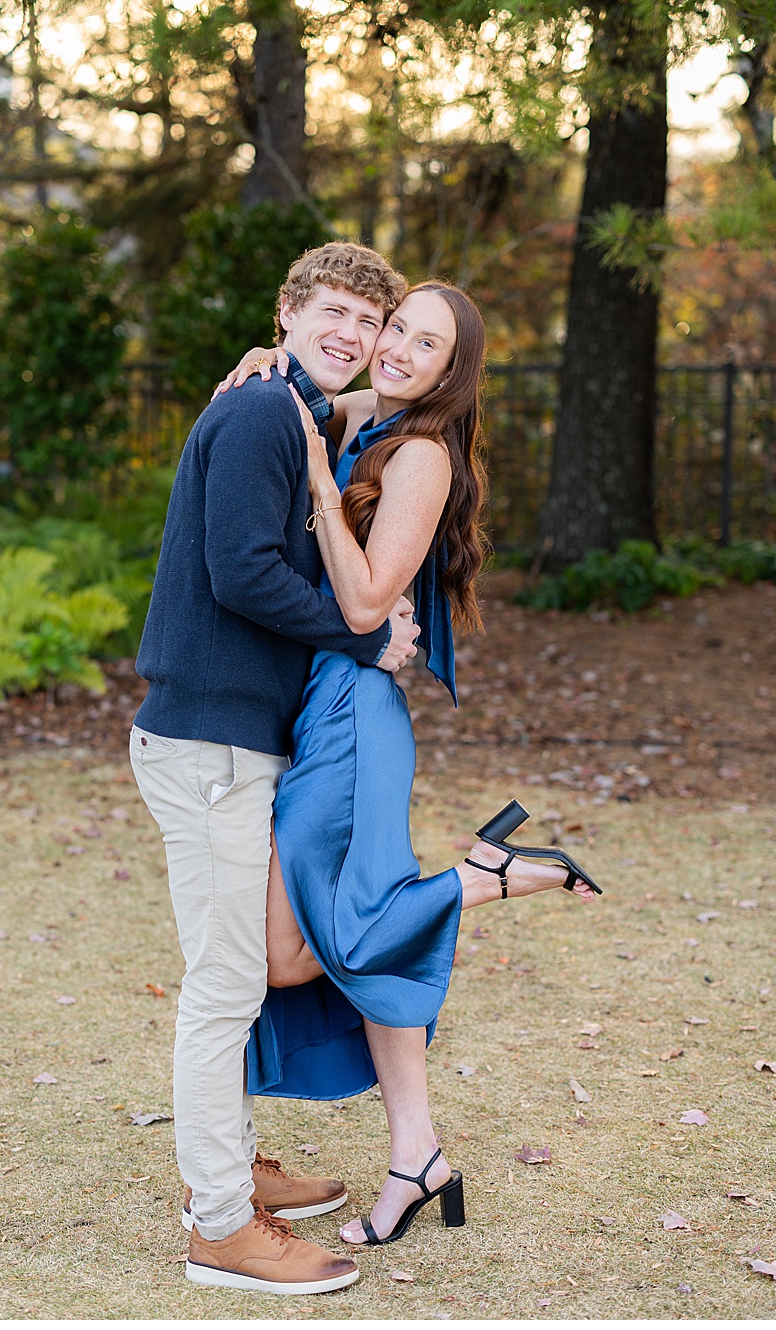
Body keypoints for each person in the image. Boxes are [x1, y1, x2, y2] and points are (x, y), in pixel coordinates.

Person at [211, 281, 601, 1250]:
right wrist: (264, 360)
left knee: (287, 953)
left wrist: (317, 481)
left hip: (352, 720)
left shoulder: (421, 455)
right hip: (321, 710)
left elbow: (364, 607)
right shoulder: (363, 415)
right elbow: (297, 384)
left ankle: (482, 878)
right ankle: (416, 1155)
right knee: (353, 931)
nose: (394, 348)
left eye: (426, 344)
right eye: (396, 328)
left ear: (450, 373)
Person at [130, 242, 421, 1295]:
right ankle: (219, 1224)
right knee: (224, 983)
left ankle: (232, 1165)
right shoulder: (261, 412)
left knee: (241, 972)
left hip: (232, 739)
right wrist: (363, 636)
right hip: (208, 743)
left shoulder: (292, 407)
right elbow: (240, 571)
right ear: (289, 309)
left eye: (369, 323)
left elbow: (376, 410)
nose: (353, 335)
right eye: (333, 311)